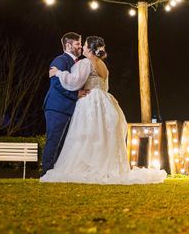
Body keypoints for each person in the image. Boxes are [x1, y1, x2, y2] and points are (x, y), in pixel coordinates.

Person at [40, 36, 166, 184]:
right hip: (105, 101)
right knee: (101, 136)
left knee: (86, 136)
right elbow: (105, 87)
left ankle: (86, 167)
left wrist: (59, 73)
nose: (82, 47)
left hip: (90, 102)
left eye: (84, 45)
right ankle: (102, 166)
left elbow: (75, 81)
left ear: (90, 49)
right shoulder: (103, 65)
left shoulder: (86, 62)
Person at [42, 32, 86, 175]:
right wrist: (76, 94)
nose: (80, 46)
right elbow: (57, 84)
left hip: (68, 108)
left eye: (80, 43)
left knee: (63, 142)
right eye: (78, 43)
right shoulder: (60, 60)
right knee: (53, 139)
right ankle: (46, 172)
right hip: (57, 107)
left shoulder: (77, 63)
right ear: (68, 45)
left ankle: (56, 171)